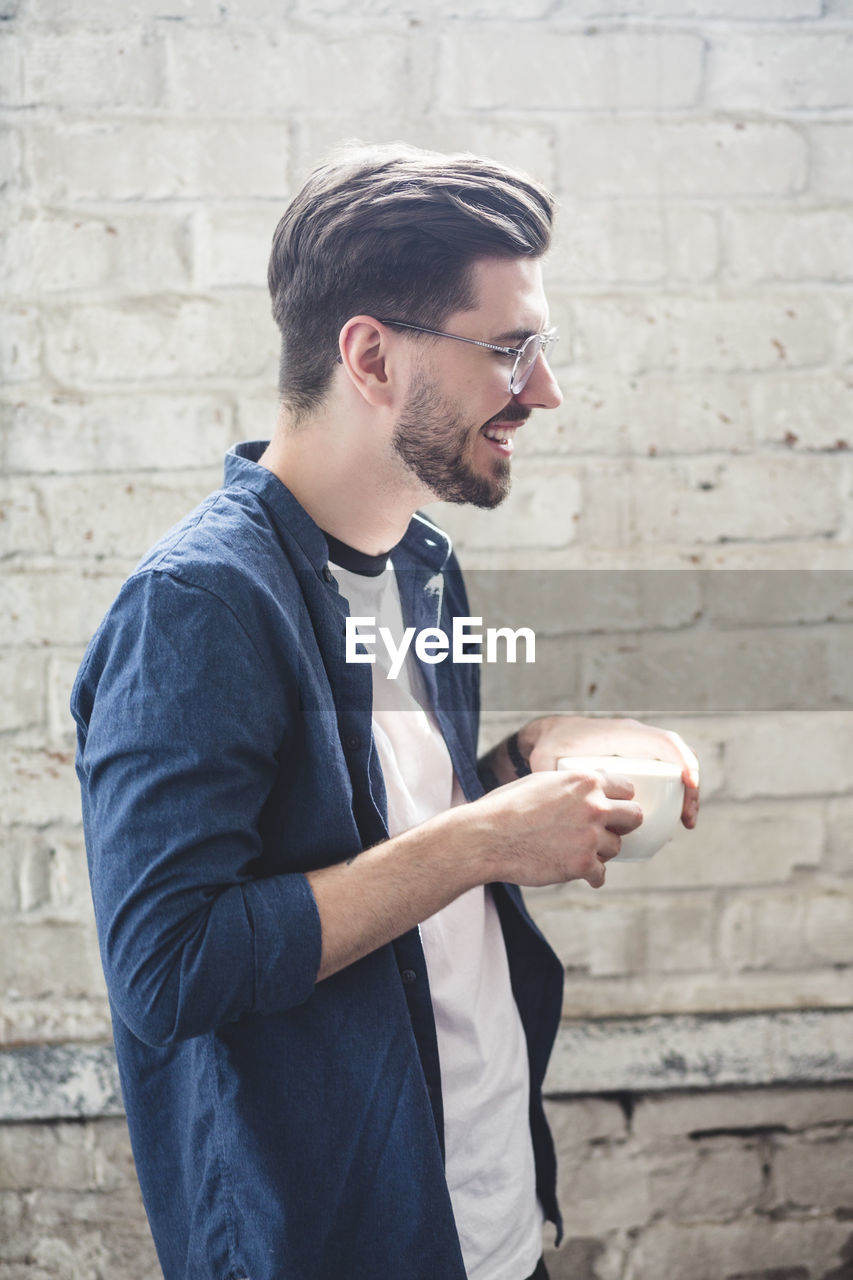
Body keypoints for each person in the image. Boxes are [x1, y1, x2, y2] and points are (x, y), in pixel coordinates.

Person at [71, 142, 699, 1280]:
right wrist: (485, 839)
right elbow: (167, 969)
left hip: (491, 1221)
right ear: (369, 353)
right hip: (336, 1239)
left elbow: (384, 806)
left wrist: (533, 757)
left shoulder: (424, 563)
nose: (542, 389)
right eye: (510, 349)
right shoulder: (196, 606)